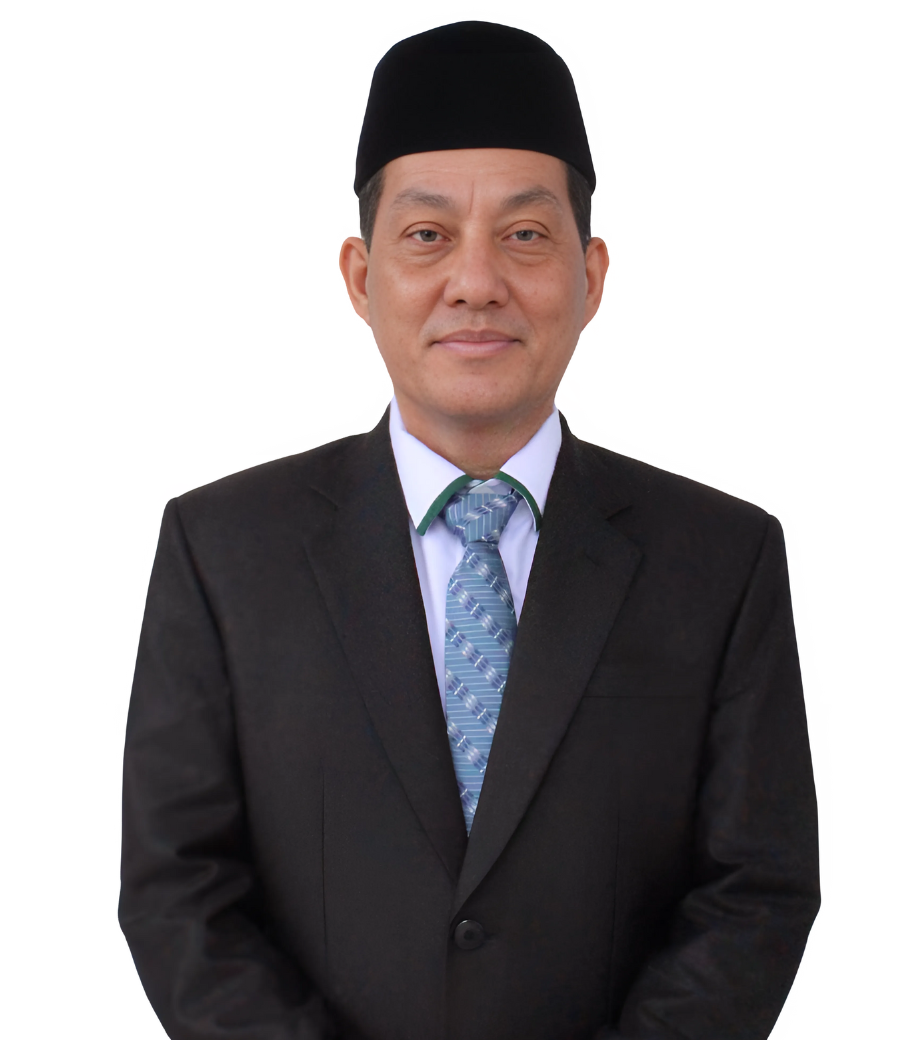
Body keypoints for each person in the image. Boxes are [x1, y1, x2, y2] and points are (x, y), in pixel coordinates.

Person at [119, 21, 819, 1040]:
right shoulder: (223, 551)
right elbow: (178, 889)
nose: (477, 281)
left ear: (592, 275)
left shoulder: (719, 560)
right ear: (360, 276)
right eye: (427, 235)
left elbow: (756, 888)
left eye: (526, 235)